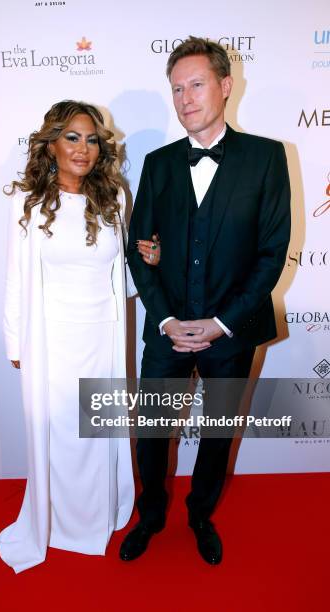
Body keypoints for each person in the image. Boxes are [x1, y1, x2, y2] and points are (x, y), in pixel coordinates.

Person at [121, 36, 291, 565]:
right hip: (167, 330)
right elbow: (139, 245)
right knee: (151, 435)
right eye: (176, 88)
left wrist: (221, 322)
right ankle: (150, 515)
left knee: (217, 435)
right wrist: (167, 317)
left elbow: (271, 252)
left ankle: (199, 514)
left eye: (196, 84)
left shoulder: (267, 157)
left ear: (224, 85)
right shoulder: (158, 163)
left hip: (231, 332)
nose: (186, 97)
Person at [0, 100, 158, 573]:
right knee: (59, 433)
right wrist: (15, 344)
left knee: (98, 432)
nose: (82, 149)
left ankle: (96, 516)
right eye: (72, 137)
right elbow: (14, 278)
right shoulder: (26, 200)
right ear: (51, 144)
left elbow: (122, 280)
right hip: (49, 339)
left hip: (103, 337)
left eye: (91, 139)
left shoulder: (115, 198)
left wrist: (149, 259)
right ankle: (59, 523)